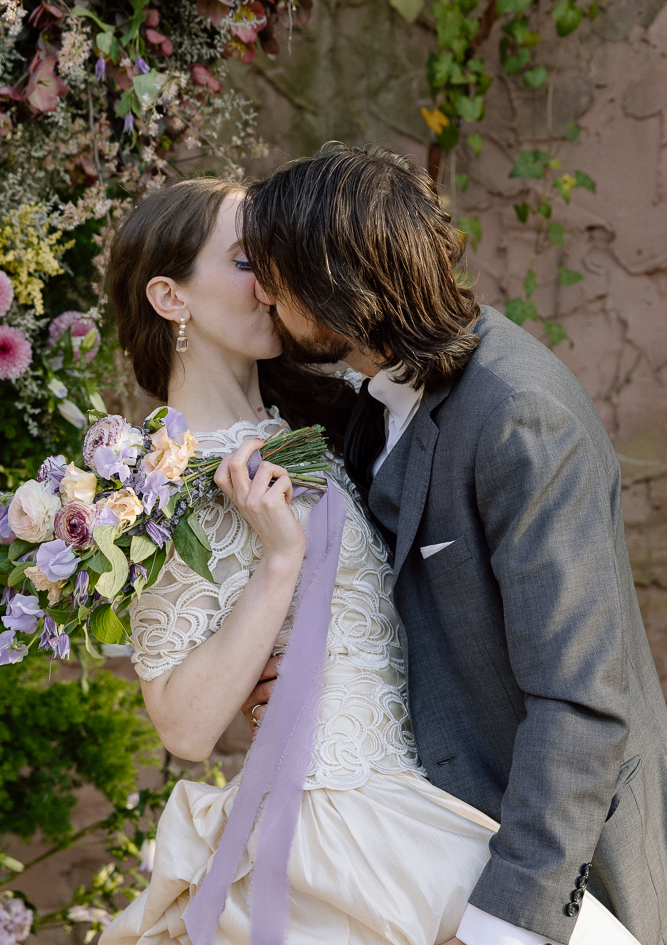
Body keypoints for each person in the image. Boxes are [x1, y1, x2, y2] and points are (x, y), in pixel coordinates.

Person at [98, 178, 635, 945]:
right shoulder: (158, 485)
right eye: (249, 259)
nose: (273, 278)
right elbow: (184, 726)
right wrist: (282, 566)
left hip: (431, 799)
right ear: (170, 298)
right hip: (338, 830)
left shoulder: (334, 418)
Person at [240, 144, 667, 945]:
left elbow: (579, 702)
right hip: (424, 842)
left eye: (273, 275)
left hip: (545, 867)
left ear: (335, 289)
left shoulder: (518, 419)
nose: (261, 294)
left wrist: (507, 923)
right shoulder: (374, 394)